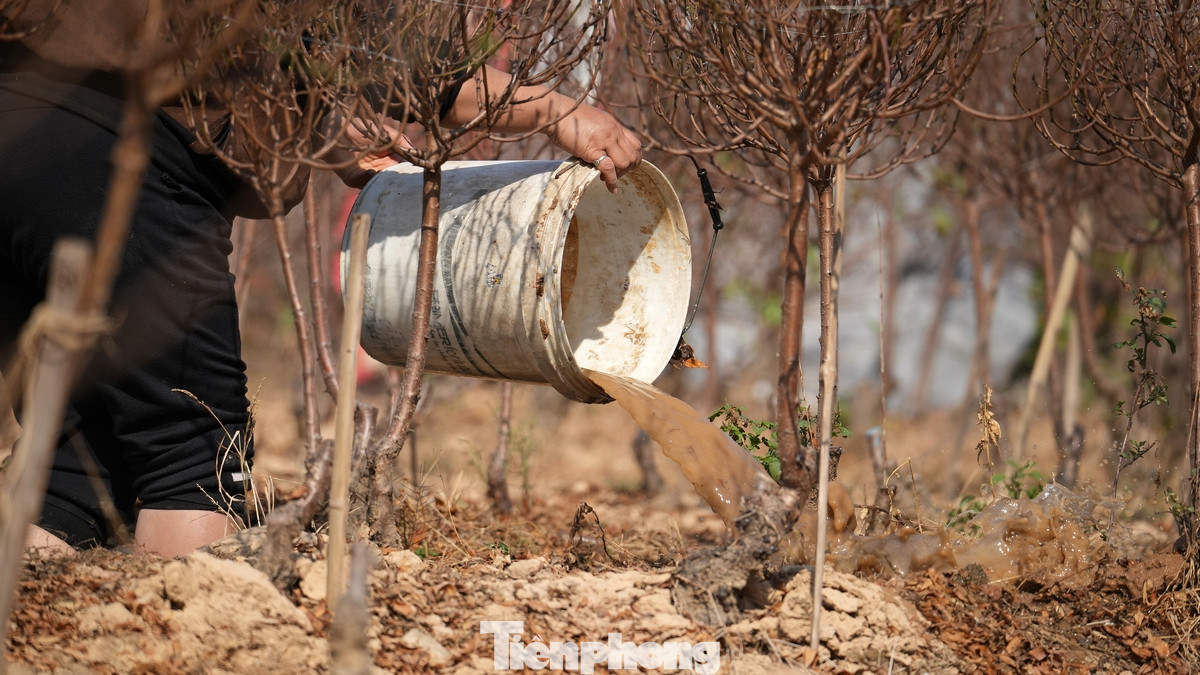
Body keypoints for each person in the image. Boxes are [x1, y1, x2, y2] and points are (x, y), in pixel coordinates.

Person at [0, 3, 642, 556]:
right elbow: (409, 62)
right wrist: (559, 111)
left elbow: (248, 43)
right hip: (121, 154)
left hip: (17, 132)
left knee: (73, 472)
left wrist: (320, 122)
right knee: (193, 462)